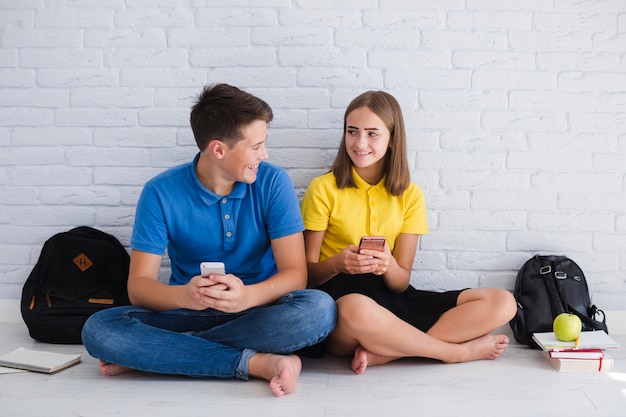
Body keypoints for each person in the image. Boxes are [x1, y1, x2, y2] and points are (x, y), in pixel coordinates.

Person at [81, 83, 337, 397]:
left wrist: (246, 297)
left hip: (259, 309)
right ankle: (255, 363)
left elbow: (296, 275)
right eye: (256, 146)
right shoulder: (160, 192)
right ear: (218, 149)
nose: (264, 154)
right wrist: (185, 297)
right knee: (99, 330)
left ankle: (162, 355)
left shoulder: (273, 183)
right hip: (187, 309)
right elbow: (139, 287)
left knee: (319, 309)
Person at [300, 90, 517, 374]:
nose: (360, 143)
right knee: (357, 308)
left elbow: (401, 284)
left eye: (372, 133)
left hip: (390, 300)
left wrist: (389, 266)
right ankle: (452, 353)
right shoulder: (323, 188)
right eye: (352, 132)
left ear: (392, 139)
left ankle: (389, 353)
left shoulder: (410, 195)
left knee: (503, 302)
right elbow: (304, 275)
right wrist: (338, 263)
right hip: (340, 307)